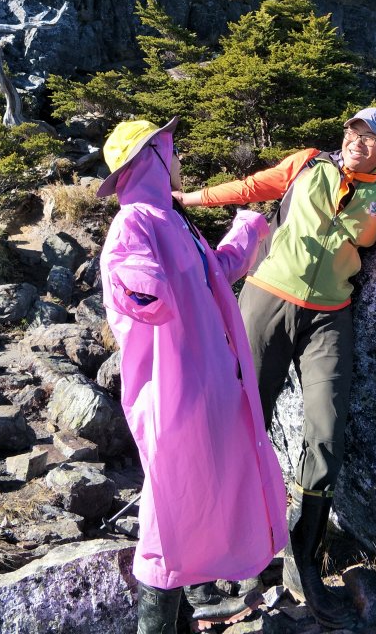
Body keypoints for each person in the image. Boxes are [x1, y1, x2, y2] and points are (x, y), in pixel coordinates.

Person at [174, 107, 376, 628]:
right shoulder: (306, 164)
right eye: (355, 132)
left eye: (373, 138)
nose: (359, 141)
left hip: (330, 321)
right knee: (238, 419)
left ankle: (303, 564)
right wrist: (187, 199)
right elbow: (250, 188)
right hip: (265, 300)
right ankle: (209, 560)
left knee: (325, 436)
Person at [96, 117, 288, 634]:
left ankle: (195, 609)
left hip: (212, 387)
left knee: (200, 497)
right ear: (151, 158)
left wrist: (247, 230)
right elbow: (136, 289)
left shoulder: (173, 221)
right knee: (169, 511)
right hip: (173, 392)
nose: (179, 159)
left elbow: (212, 278)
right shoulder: (134, 222)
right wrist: (140, 287)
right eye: (172, 151)